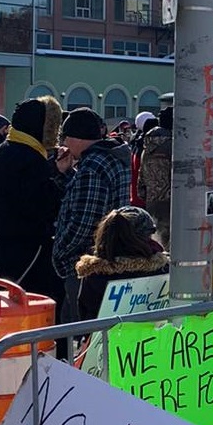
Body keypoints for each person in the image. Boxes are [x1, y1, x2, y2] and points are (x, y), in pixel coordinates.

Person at [0, 96, 68, 318]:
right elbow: (42, 204)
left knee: (6, 307)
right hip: (32, 247)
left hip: (1, 244)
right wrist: (58, 178)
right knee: (35, 310)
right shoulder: (31, 158)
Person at [52, 108, 132, 324]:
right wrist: (67, 173)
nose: (64, 144)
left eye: (65, 137)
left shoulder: (92, 166)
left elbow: (85, 221)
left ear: (76, 138)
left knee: (78, 327)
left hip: (85, 262)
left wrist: (59, 251)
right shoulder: (112, 156)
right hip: (108, 255)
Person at [76, 207, 169, 321]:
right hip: (155, 338)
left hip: (106, 338)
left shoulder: (93, 275)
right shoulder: (163, 271)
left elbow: (85, 316)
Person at [137, 106, 173, 247]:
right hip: (171, 203)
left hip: (151, 203)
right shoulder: (174, 146)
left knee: (156, 242)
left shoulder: (147, 146)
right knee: (171, 245)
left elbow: (142, 178)